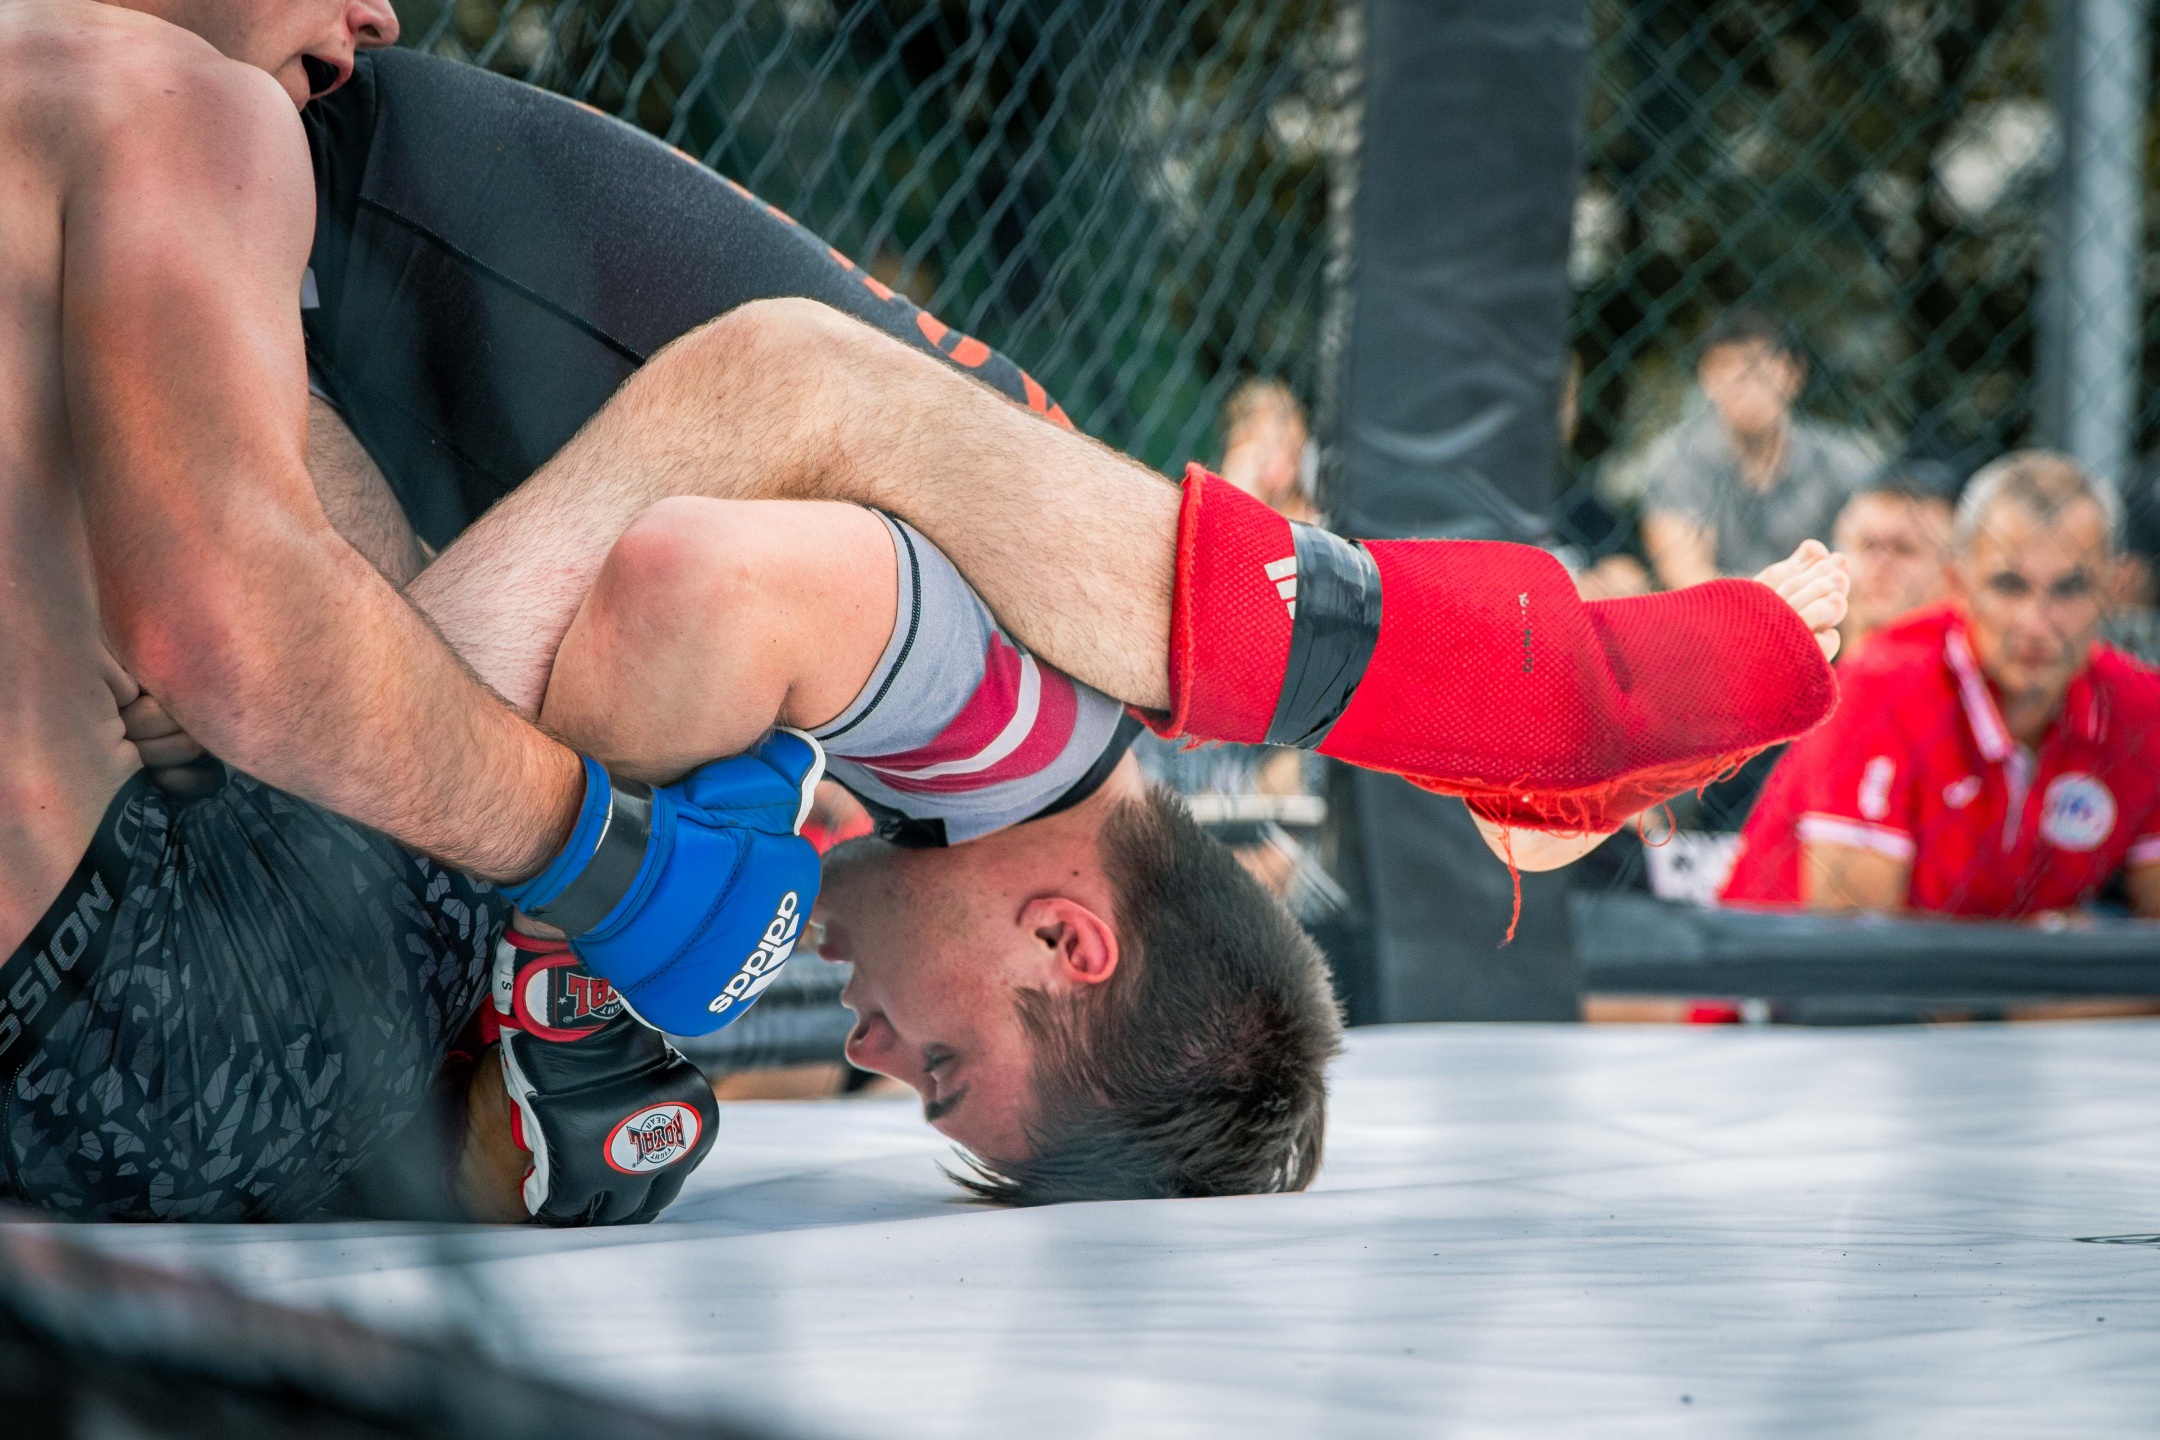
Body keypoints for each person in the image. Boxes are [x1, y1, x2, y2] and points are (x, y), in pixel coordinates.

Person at [2, 18, 1846, 1222]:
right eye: (946, 1069)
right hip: (194, 984)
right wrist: (591, 894)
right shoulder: (1004, 733)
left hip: (198, 957)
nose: (873, 1057)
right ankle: (1495, 689)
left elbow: (289, 638)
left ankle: (1479, 681)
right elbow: (674, 569)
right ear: (1070, 939)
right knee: (809, 391)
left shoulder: (957, 752)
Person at [1722, 453, 2160, 919]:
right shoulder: (1879, 686)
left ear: (2114, 589)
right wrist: (2052, 943)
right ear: (1958, 583)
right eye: (2009, 586)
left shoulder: (2142, 708)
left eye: (2070, 589)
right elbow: (1852, 945)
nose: (2037, 623)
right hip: (1775, 964)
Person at [1640, 308, 1881, 590]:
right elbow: (1684, 577)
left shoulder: (1843, 459)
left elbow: (1870, 561)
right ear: (1706, 378)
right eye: (1725, 366)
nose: (1742, 380)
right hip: (1725, 616)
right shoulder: (1678, 461)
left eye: (1757, 365)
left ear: (1793, 373)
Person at [1831, 465, 1956, 657]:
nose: (1880, 563)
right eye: (1868, 545)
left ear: (1951, 574)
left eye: (1904, 549)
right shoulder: (1797, 655)